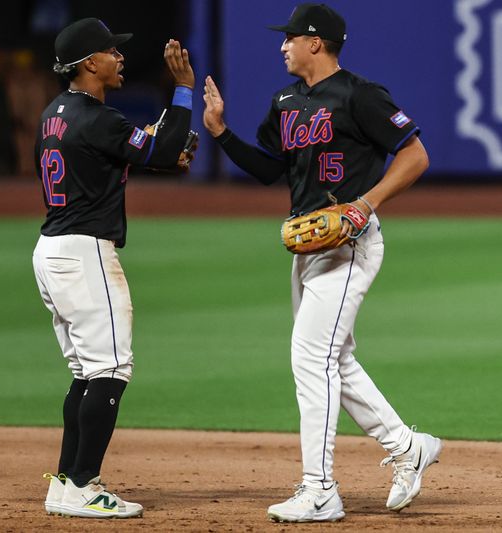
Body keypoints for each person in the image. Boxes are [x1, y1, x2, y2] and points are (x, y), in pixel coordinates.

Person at [202, 3, 442, 523]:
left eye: (289, 37)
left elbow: (415, 155)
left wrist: (365, 204)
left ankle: (320, 488)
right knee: (335, 359)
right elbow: (269, 169)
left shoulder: (360, 94)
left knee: (310, 357)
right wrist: (220, 133)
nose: (282, 45)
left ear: (316, 42)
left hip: (350, 244)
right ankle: (407, 446)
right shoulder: (285, 100)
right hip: (310, 246)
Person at [33, 17, 195, 519]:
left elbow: (112, 155)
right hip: (84, 254)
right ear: (88, 64)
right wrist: (184, 91)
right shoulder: (96, 117)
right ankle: (84, 485)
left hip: (51, 250)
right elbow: (161, 147)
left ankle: (65, 481)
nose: (120, 57)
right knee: (111, 371)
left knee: (85, 372)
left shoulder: (54, 113)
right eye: (110, 51)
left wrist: (151, 154)